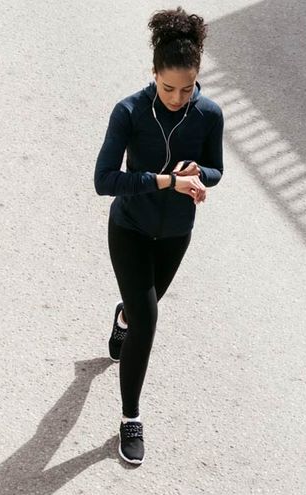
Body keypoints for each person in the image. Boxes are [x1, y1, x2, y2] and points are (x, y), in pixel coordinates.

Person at [94, 7, 224, 465]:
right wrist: (166, 180)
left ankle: (123, 316)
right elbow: (104, 180)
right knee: (150, 322)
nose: (176, 97)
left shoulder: (208, 114)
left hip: (175, 235)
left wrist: (198, 172)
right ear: (153, 73)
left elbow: (217, 169)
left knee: (140, 311)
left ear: (197, 78)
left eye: (187, 88)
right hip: (128, 227)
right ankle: (131, 416)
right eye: (168, 87)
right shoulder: (128, 111)